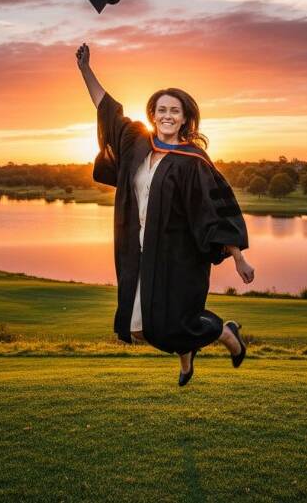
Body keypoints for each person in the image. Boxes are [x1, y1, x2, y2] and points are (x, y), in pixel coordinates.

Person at [76, 42, 255, 386]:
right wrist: (85, 70)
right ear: (153, 114)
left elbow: (216, 209)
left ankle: (225, 333)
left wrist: (238, 257)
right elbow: (106, 107)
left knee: (174, 322)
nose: (167, 115)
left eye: (175, 110)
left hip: (179, 256)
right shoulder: (136, 143)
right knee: (139, 328)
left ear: (185, 117)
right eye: (161, 110)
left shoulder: (193, 161)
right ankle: (192, 353)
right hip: (141, 252)